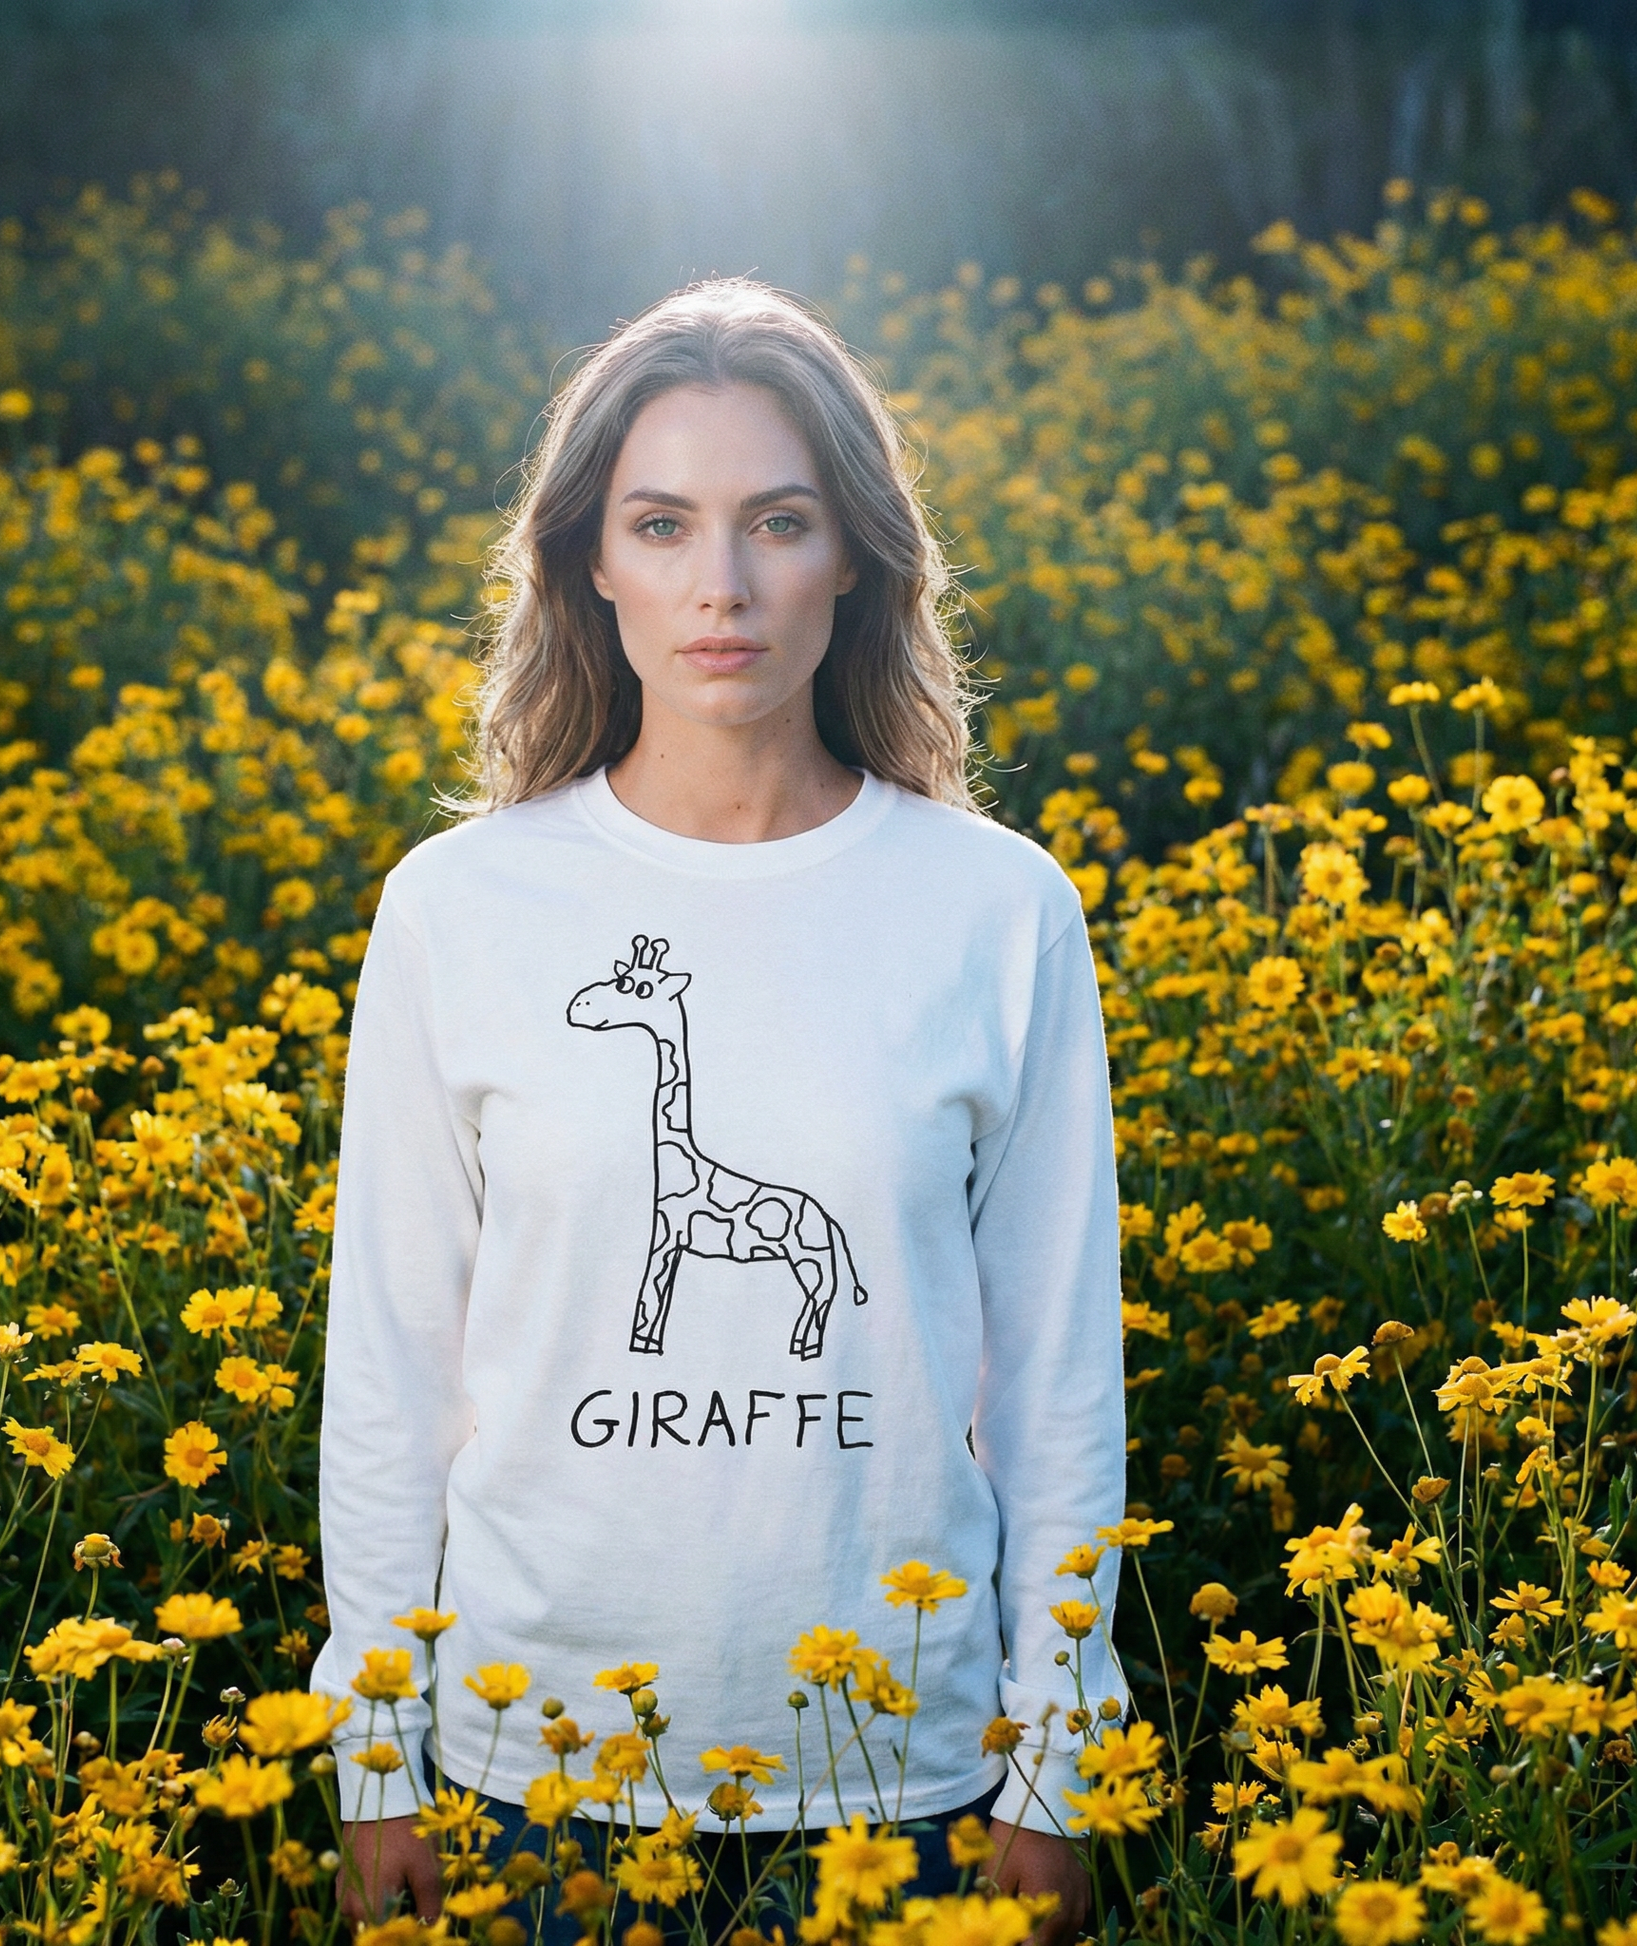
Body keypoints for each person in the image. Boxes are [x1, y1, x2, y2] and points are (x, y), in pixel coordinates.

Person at [311, 278, 1127, 1943]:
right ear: (589, 561)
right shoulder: (461, 905)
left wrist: (1057, 1758)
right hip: (534, 1777)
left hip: (902, 1774)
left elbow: (1055, 1373)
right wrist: (375, 1739)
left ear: (854, 557)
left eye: (777, 521)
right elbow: (393, 1358)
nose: (724, 585)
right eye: (665, 523)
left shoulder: (994, 907)